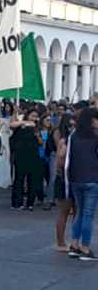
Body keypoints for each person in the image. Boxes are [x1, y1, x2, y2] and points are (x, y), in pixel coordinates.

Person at [65, 107, 98, 261]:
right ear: (91, 120)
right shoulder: (96, 136)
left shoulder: (73, 135)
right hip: (92, 178)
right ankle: (85, 248)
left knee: (80, 212)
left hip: (75, 178)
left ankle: (74, 244)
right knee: (88, 214)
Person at [10, 108, 43, 211]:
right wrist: (24, 122)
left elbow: (41, 143)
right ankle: (17, 202)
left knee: (32, 180)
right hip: (21, 155)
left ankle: (30, 203)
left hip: (33, 156)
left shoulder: (37, 128)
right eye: (32, 115)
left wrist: (37, 135)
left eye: (35, 116)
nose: (33, 118)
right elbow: (12, 125)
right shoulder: (20, 125)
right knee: (19, 179)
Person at [52, 114, 75, 251]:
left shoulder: (64, 141)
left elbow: (59, 162)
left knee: (65, 212)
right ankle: (66, 242)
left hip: (66, 177)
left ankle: (64, 242)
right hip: (68, 178)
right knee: (67, 212)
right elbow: (60, 160)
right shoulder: (65, 141)